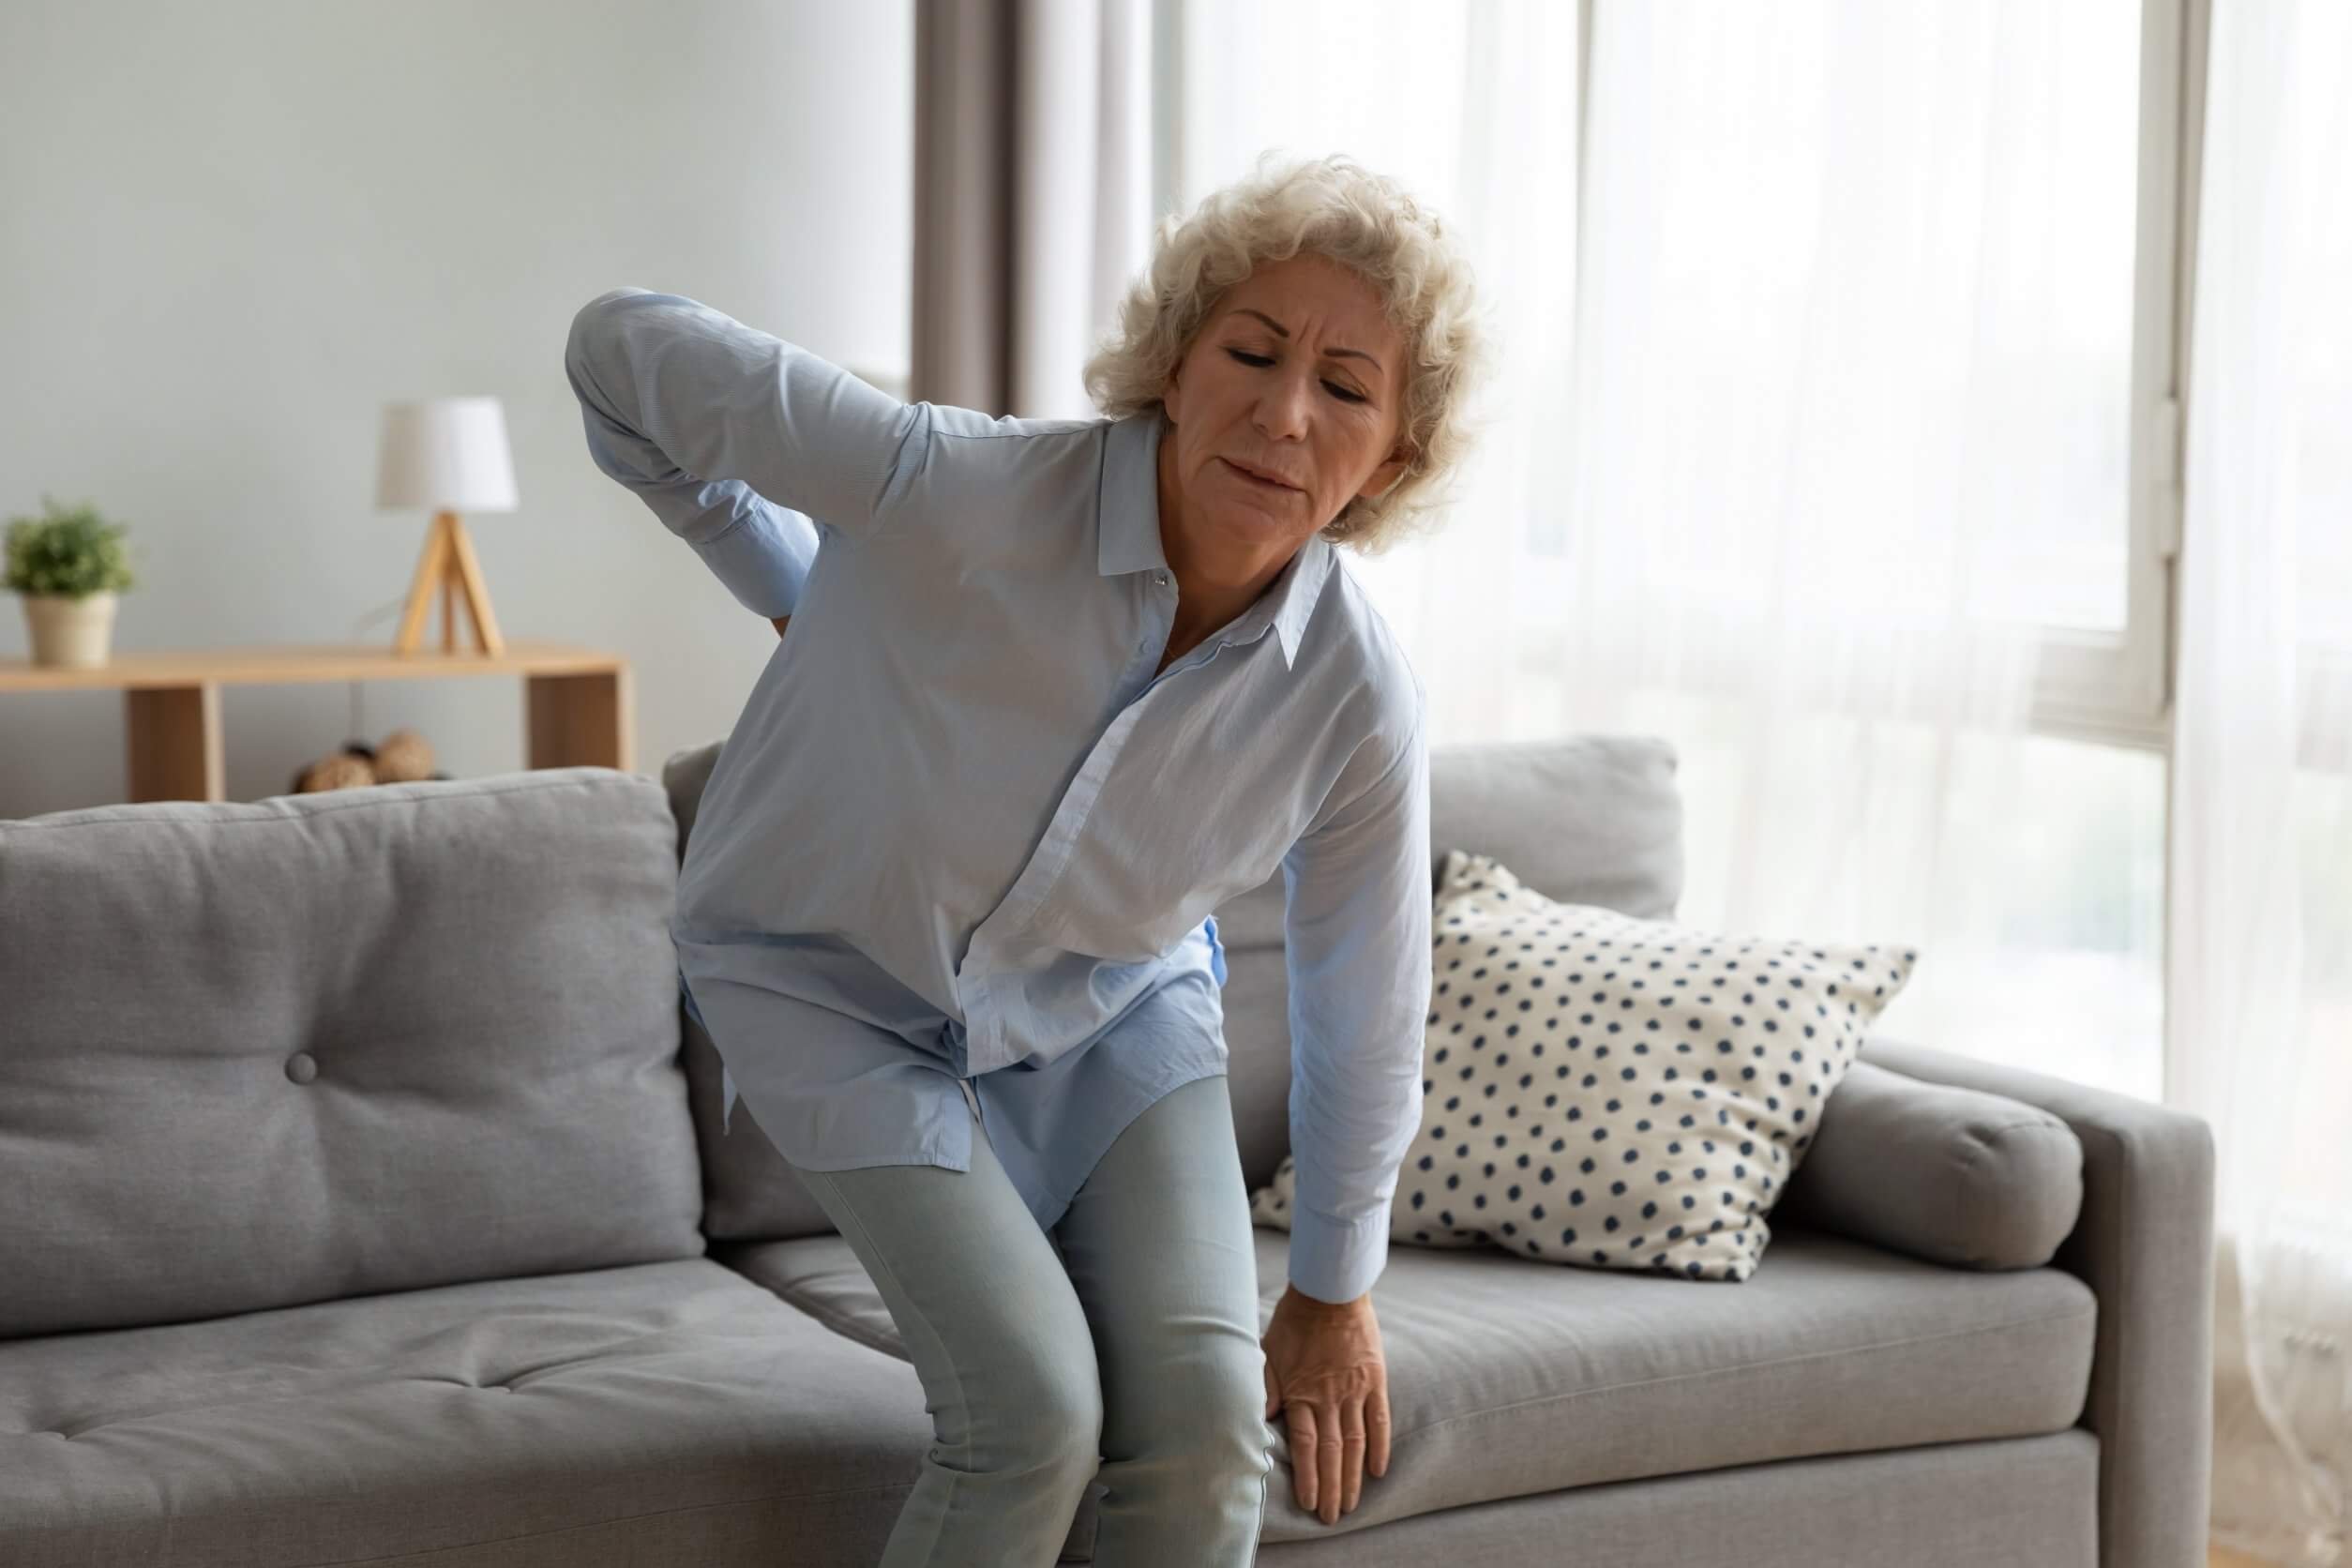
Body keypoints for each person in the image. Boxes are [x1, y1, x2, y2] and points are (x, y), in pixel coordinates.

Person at [565, 149, 1491, 1566]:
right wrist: (799, 594)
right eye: (1250, 350)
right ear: (1175, 367)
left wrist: (1334, 1287)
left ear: (1391, 463)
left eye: (1347, 390)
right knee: (1033, 1412)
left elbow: (1364, 998)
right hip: (827, 989)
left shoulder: (1354, 699)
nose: (1285, 412)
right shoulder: (952, 486)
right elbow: (616, 352)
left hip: (1111, 1005)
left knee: (1201, 1435)